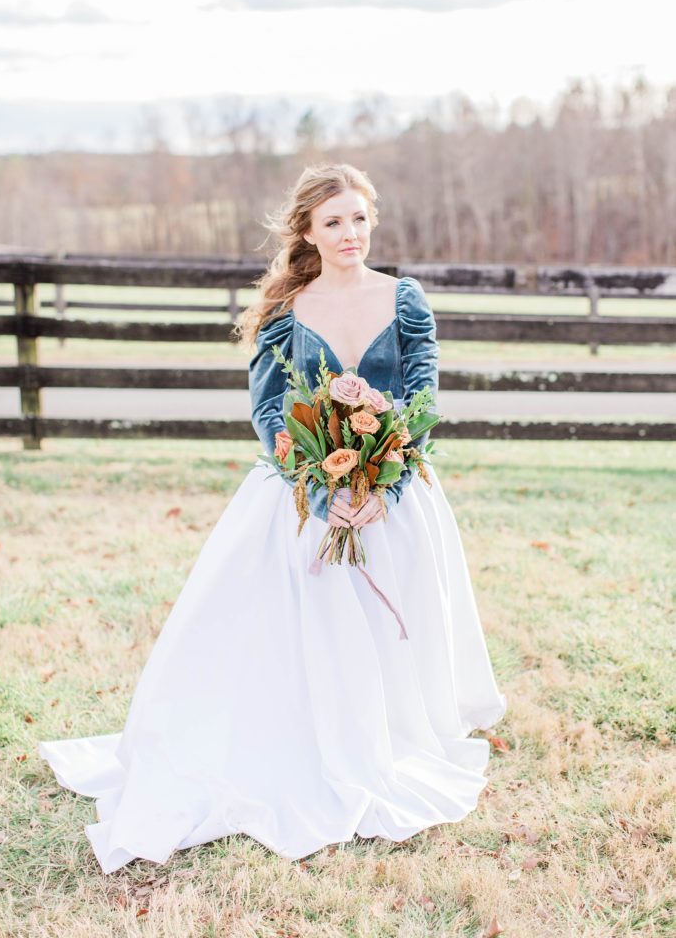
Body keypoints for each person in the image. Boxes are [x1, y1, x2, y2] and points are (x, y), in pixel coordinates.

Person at [37, 162, 507, 873]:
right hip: (300, 492)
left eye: (357, 217)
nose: (349, 233)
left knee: (388, 625)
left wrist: (385, 480)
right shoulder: (287, 310)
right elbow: (265, 413)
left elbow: (422, 400)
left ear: (370, 218)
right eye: (332, 222)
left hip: (391, 495)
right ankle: (298, 743)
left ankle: (385, 737)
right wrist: (322, 492)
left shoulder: (405, 301)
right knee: (302, 622)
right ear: (308, 233)